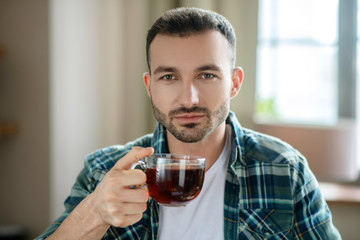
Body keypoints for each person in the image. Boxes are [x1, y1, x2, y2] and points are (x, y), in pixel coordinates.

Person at [37, 7, 341, 240]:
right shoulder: (104, 171)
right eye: (169, 77)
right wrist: (95, 213)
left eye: (206, 75)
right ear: (149, 86)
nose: (188, 98)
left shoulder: (285, 169)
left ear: (234, 83)